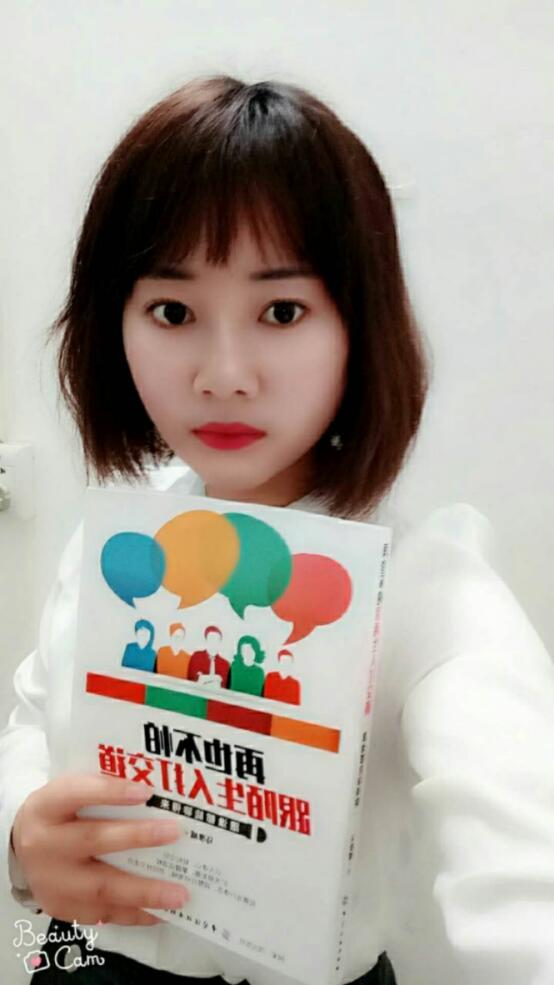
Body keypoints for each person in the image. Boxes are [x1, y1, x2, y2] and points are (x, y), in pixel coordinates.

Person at [0, 74, 553, 985]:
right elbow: (35, 711)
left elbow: (523, 870)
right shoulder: (121, 535)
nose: (224, 374)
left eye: (282, 311)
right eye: (173, 311)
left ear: (357, 326)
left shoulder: (430, 586)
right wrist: (22, 832)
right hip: (84, 958)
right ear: (116, 324)